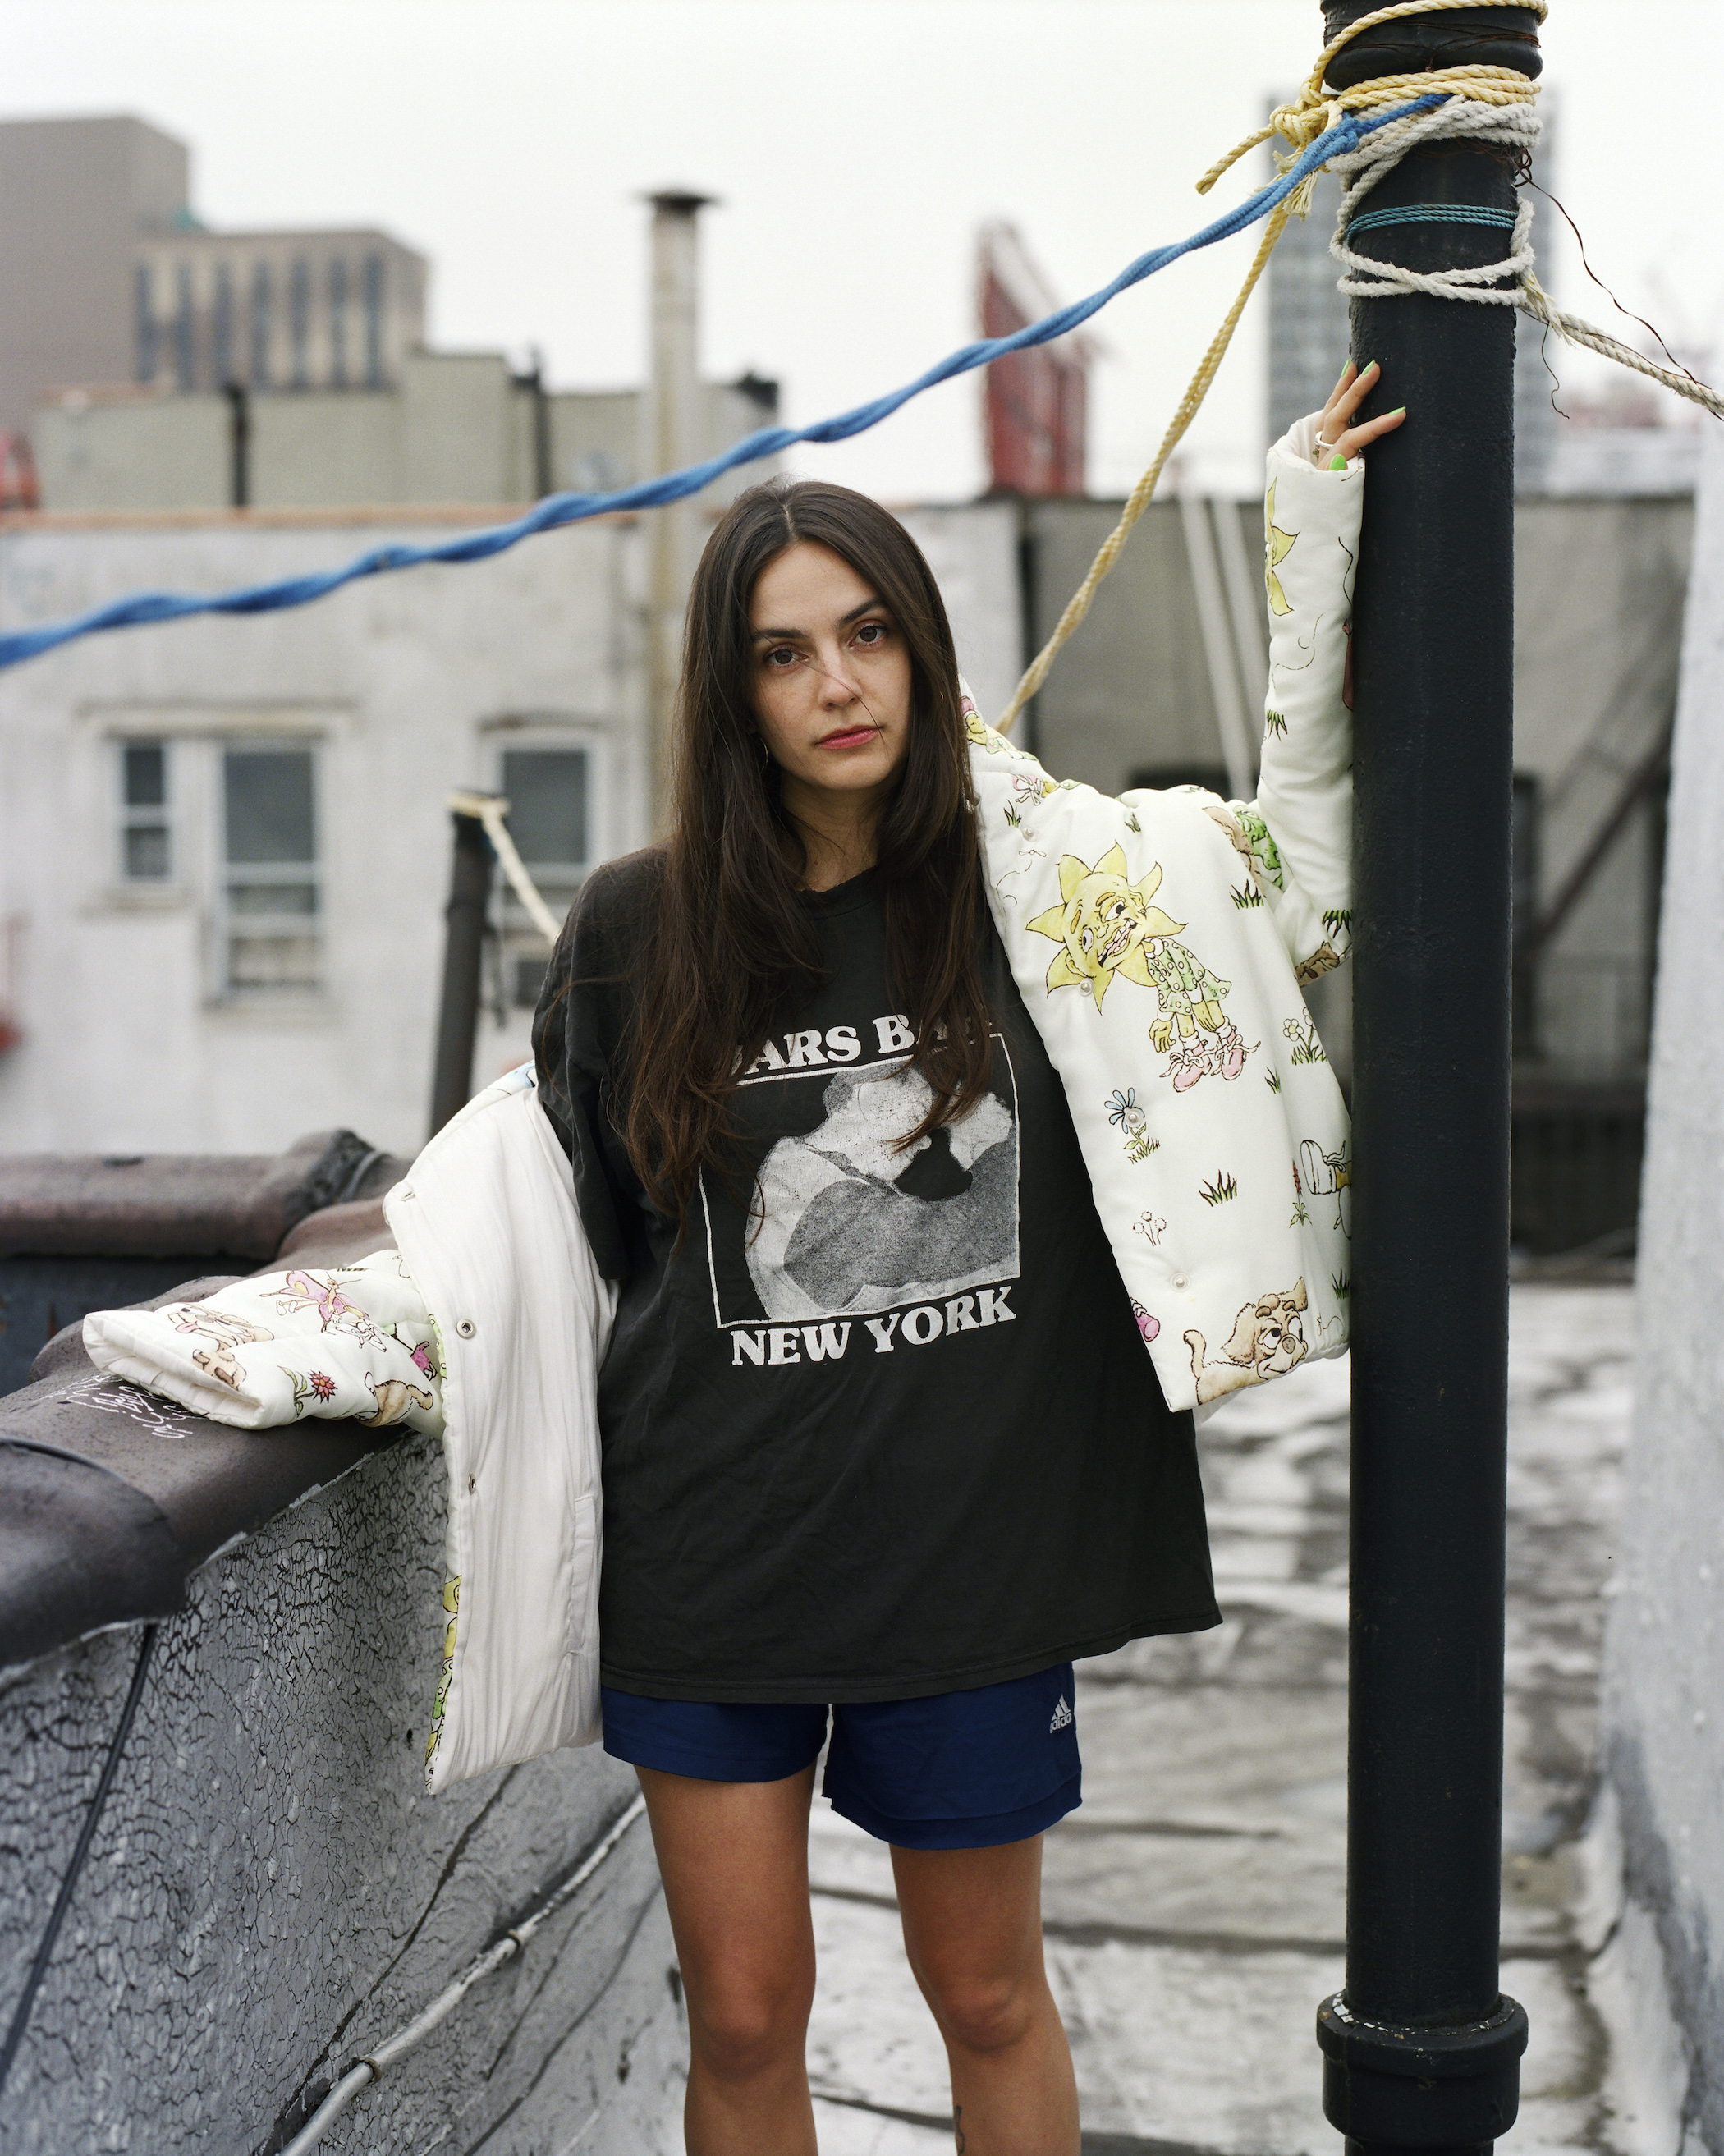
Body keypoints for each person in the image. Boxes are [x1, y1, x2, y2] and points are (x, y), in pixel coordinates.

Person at [533, 360, 1405, 2156]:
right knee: (754, 2010)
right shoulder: (637, 930)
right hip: (718, 1559)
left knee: (990, 1992)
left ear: (923, 650)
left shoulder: (1054, 896)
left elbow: (1306, 882)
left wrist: (1311, 532)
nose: (837, 683)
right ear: (733, 691)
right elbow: (596, 1245)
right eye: (783, 654)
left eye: (867, 634)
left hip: (972, 1552)